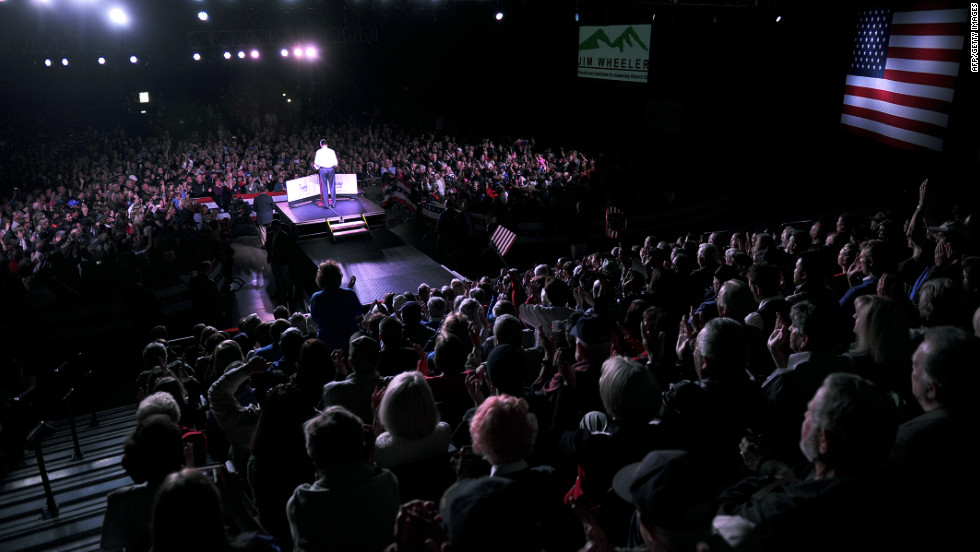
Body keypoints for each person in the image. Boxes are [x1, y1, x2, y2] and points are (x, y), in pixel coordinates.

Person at [309, 260, 362, 353]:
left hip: (328, 342)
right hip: (351, 340)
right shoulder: (349, 294)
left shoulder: (316, 297)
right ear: (338, 278)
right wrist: (349, 290)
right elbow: (358, 311)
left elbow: (315, 319)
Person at [313, 139, 339, 208]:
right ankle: (333, 204)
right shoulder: (332, 151)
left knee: (324, 187)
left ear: (321, 145)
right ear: (327, 144)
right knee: (332, 186)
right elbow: (336, 163)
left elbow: (316, 163)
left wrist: (318, 167)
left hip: (323, 169)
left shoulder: (318, 152)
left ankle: (326, 204)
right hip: (331, 169)